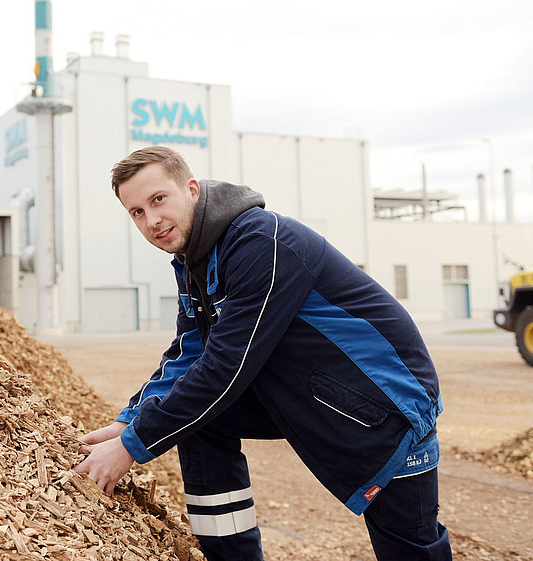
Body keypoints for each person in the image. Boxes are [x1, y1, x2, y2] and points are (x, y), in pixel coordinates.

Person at [75, 146, 451, 561]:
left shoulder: (261, 242)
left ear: (192, 190)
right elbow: (190, 349)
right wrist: (130, 418)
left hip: (384, 402)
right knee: (198, 420)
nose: (152, 220)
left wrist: (133, 444)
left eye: (158, 199)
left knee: (408, 544)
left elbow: (227, 365)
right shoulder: (194, 259)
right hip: (307, 391)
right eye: (137, 212)